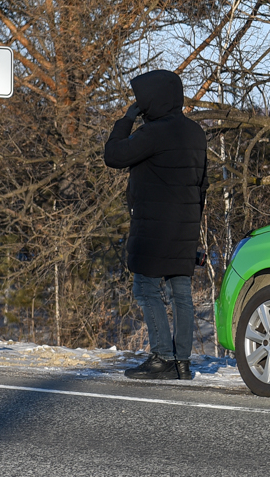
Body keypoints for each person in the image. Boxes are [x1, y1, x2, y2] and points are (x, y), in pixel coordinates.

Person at [104, 69, 208, 380]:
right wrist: (194, 225)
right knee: (181, 293)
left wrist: (126, 120)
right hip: (186, 225)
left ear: (153, 99)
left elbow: (113, 155)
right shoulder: (196, 133)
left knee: (146, 288)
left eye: (141, 98)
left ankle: (162, 356)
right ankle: (183, 363)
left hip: (154, 228)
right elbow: (203, 183)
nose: (139, 102)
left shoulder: (153, 133)